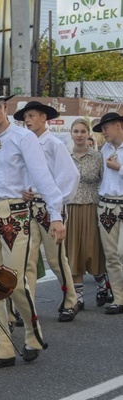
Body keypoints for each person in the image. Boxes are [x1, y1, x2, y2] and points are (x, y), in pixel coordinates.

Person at [0, 88, 67, 369]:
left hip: (15, 215)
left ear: (5, 107)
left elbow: (43, 177)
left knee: (14, 283)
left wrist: (56, 215)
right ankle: (3, 345)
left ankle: (32, 332)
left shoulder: (24, 137)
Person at [13, 101, 80, 322]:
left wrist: (57, 202)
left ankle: (71, 299)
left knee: (56, 258)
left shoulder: (53, 144)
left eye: (32, 115)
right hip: (28, 207)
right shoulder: (23, 142)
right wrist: (24, 191)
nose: (28, 120)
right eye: (26, 117)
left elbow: (70, 176)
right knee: (28, 260)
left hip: (50, 207)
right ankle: (28, 307)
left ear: (44, 117)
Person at [67, 118, 111, 309]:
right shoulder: (65, 157)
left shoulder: (97, 157)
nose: (79, 135)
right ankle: (79, 297)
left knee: (93, 251)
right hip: (71, 207)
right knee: (74, 252)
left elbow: (106, 181)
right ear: (71, 134)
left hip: (93, 205)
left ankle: (102, 285)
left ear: (88, 134)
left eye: (82, 131)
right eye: (75, 131)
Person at [93, 112, 123, 314]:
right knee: (111, 255)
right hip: (106, 206)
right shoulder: (103, 150)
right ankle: (119, 299)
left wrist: (118, 167)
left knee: (122, 252)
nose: (103, 132)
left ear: (119, 126)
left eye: (106, 127)